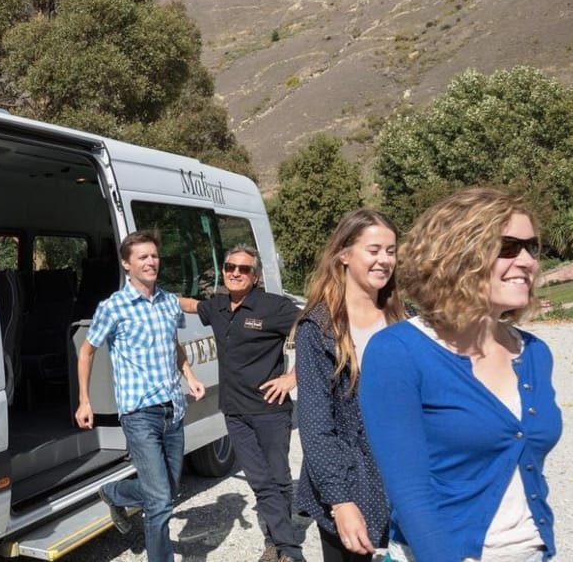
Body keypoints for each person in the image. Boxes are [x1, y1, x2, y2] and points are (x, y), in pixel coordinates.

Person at [360, 187, 562, 562]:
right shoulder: (398, 352)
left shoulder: (534, 354)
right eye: (508, 247)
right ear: (458, 254)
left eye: (531, 247)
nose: (527, 261)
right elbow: (411, 495)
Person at [74, 230, 205, 562]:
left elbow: (173, 344)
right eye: (142, 257)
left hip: (173, 409)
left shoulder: (167, 303)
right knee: (160, 501)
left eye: (154, 256)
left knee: (168, 489)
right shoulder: (113, 307)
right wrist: (85, 400)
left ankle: (115, 492)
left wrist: (189, 376)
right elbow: (87, 352)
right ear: (126, 264)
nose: (151, 261)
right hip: (139, 413)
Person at [294, 209, 405, 562]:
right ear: (344, 254)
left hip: (405, 483)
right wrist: (340, 501)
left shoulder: (407, 321)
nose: (384, 260)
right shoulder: (318, 328)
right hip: (351, 483)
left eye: (390, 251)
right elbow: (316, 424)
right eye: (374, 250)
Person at [179, 244, 302, 562]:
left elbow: (316, 329)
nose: (235, 272)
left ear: (255, 275)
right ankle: (283, 546)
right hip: (234, 411)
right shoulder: (218, 306)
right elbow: (190, 305)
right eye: (230, 267)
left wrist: (292, 377)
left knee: (277, 477)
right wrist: (146, 292)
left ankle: (281, 544)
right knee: (260, 480)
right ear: (223, 271)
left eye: (244, 269)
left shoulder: (274, 307)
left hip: (270, 410)